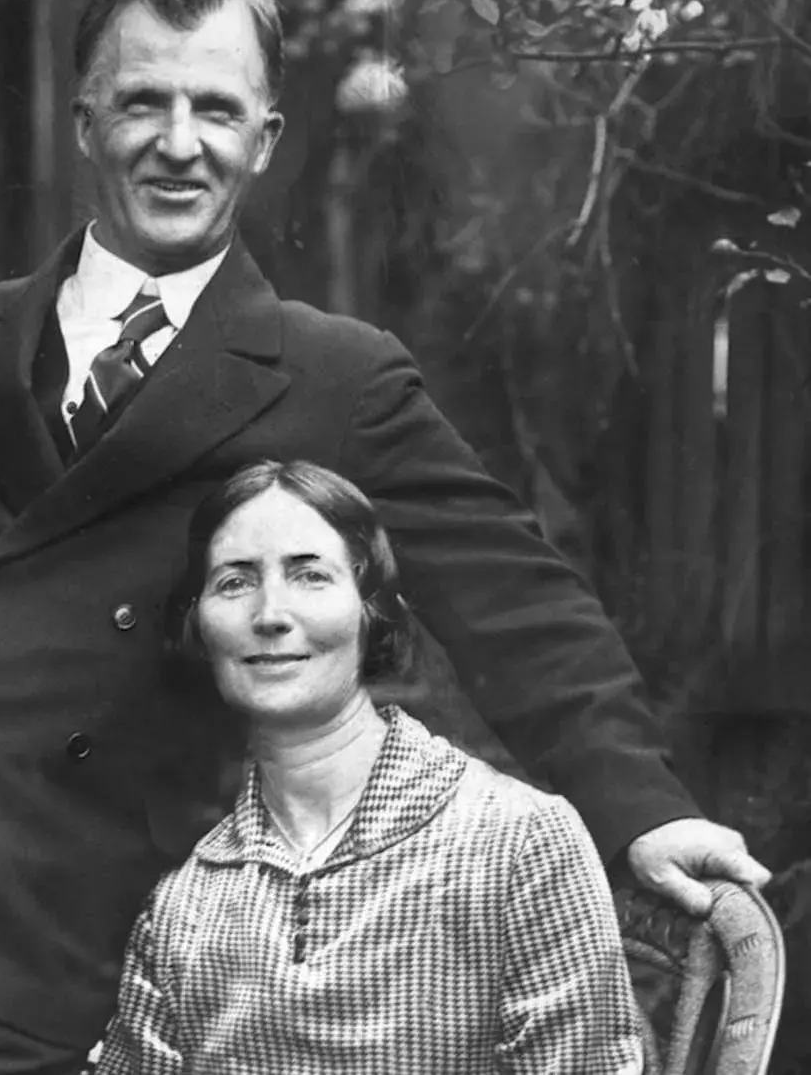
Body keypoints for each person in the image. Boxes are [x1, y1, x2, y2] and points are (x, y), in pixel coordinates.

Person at [0, 0, 765, 1074]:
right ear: (83, 121)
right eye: (141, 102)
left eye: (215, 109)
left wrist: (640, 807)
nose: (178, 143)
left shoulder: (332, 377)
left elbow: (515, 602)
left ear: (263, 139)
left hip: (35, 935)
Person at [98, 459, 644, 1073]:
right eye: (233, 582)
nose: (270, 613)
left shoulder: (519, 842)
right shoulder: (183, 908)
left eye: (310, 575)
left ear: (372, 611)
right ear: (197, 626)